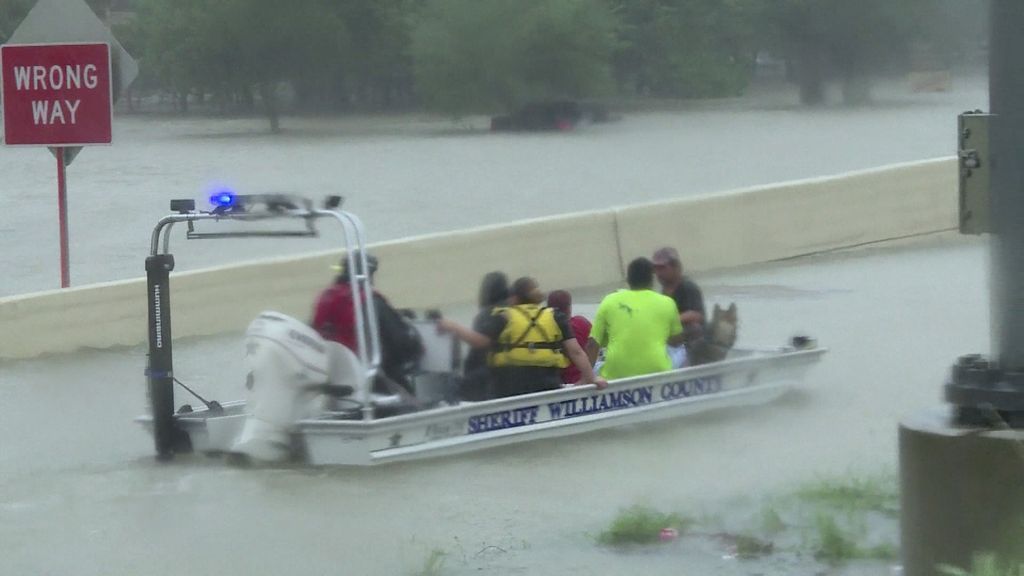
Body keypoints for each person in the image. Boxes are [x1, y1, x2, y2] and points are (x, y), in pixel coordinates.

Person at [438, 277, 606, 398]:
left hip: (511, 387)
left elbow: (479, 341)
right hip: (548, 385)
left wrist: (452, 326)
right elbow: (576, 352)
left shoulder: (504, 317)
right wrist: (591, 379)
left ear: (514, 298)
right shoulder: (555, 316)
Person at [311, 252, 424, 393]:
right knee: (408, 395)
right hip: (367, 377)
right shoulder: (370, 301)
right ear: (367, 274)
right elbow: (401, 342)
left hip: (329, 372)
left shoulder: (326, 297)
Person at [587, 257, 685, 380]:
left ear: (628, 280)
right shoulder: (667, 302)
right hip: (659, 370)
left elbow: (592, 344)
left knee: (598, 366)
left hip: (615, 374)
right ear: (651, 280)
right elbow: (676, 340)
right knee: (682, 351)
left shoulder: (609, 300)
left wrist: (586, 378)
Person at [459, 271, 510, 401]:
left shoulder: (488, 314)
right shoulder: (512, 310)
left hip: (488, 377)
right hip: (510, 372)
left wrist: (453, 328)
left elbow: (481, 343)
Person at [652, 246, 706, 365]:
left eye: (662, 268)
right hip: (671, 344)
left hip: (691, 344)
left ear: (675, 267)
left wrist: (670, 320)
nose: (658, 273)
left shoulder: (688, 287)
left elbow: (696, 315)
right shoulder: (663, 292)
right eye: (655, 269)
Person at [546, 289, 592, 385]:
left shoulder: (545, 328)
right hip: (580, 378)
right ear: (569, 307)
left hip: (556, 380)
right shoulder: (582, 323)